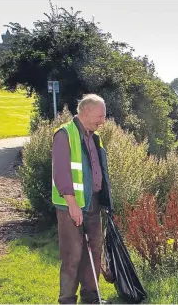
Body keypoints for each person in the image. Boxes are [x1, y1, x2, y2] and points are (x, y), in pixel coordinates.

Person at [52, 94, 113, 304]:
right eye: (100, 116)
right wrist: (72, 205)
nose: (103, 121)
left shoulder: (93, 137)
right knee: (72, 255)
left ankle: (91, 297)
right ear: (86, 111)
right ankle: (67, 300)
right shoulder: (64, 135)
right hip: (71, 206)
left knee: (94, 251)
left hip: (93, 204)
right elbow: (61, 174)